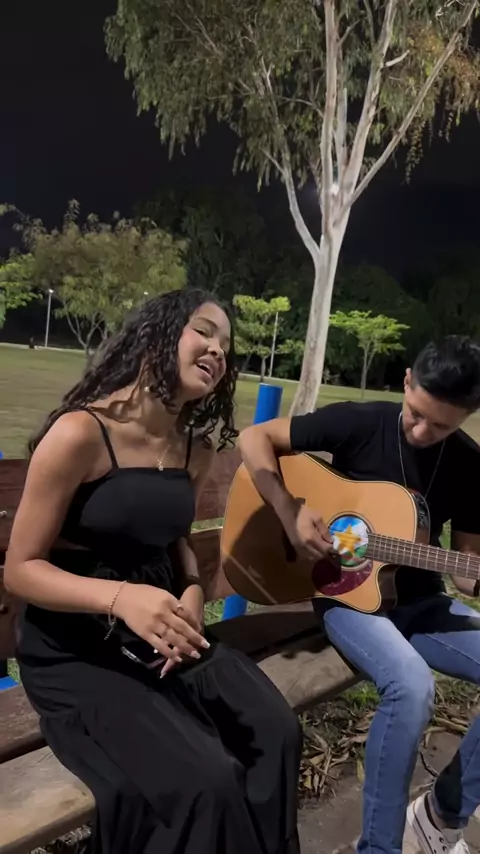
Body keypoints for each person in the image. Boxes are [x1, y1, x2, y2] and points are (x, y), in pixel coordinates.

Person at [4, 289, 302, 854]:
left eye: (226, 344)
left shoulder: (194, 450)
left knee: (275, 733)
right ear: (157, 335)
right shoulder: (80, 433)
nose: (217, 349)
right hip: (77, 648)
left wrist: (191, 591)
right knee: (204, 781)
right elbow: (20, 570)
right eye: (204, 331)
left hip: (163, 632)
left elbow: (177, 543)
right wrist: (122, 598)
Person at [239, 335, 480, 854]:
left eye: (441, 426)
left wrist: (474, 575)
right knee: (411, 687)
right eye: (417, 413)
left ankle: (441, 815)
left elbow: (466, 570)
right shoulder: (360, 421)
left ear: (466, 417)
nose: (421, 432)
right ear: (407, 382)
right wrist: (288, 508)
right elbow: (254, 438)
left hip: (420, 603)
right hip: (346, 595)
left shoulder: (469, 463)